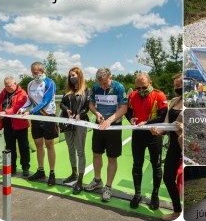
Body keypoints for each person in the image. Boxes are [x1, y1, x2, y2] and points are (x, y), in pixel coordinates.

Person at [84, 68, 128, 202]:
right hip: (99, 125)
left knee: (111, 157)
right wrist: (97, 114)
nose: (102, 86)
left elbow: (124, 108)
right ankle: (97, 180)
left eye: (105, 83)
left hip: (113, 126)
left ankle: (108, 187)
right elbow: (91, 104)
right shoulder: (96, 87)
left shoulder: (119, 87)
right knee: (96, 153)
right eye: (100, 83)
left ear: (111, 77)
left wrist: (109, 121)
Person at [125, 73, 168, 209]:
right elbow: (128, 111)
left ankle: (155, 195)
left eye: (144, 87)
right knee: (137, 165)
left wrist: (147, 122)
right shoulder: (132, 96)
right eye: (138, 88)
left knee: (156, 165)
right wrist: (130, 119)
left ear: (150, 83)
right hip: (138, 134)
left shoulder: (159, 95)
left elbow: (163, 116)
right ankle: (137, 194)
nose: (141, 91)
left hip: (154, 135)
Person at [19, 62, 58, 186]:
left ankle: (52, 173)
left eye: (36, 73)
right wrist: (23, 109)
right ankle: (41, 171)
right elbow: (29, 101)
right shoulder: (30, 84)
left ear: (42, 71)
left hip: (48, 116)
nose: (34, 75)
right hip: (36, 117)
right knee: (38, 144)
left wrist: (30, 111)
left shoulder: (50, 83)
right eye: (32, 73)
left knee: (50, 144)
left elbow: (45, 102)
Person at [150, 73, 182, 221]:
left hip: (188, 146)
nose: (178, 88)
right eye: (175, 85)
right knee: (168, 178)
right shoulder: (174, 101)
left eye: (180, 84)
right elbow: (167, 125)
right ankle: (177, 210)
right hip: (174, 145)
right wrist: (159, 131)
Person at [59, 67, 90, 194]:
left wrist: (79, 114)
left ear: (79, 75)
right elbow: (61, 104)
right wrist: (66, 110)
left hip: (81, 123)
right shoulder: (67, 90)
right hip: (68, 123)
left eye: (74, 75)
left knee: (80, 151)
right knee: (70, 149)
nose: (72, 78)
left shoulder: (87, 90)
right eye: (70, 76)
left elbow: (87, 107)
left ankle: (80, 181)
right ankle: (74, 173)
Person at [0, 76, 30, 177]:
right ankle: (12, 168)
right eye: (6, 86)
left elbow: (16, 108)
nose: (8, 88)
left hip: (20, 125)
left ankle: (25, 168)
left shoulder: (23, 94)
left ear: (15, 84)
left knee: (24, 148)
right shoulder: (3, 92)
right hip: (7, 124)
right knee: (10, 148)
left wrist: (4, 112)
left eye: (9, 86)